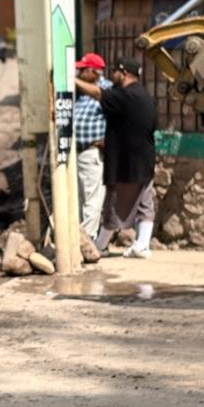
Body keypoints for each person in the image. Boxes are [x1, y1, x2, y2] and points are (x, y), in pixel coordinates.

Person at [75, 55, 157, 258]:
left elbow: (97, 93)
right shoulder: (144, 95)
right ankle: (142, 245)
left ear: (124, 73)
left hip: (126, 162)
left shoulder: (125, 95)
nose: (112, 75)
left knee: (114, 205)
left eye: (115, 72)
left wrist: (70, 80)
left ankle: (100, 245)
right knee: (145, 204)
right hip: (145, 161)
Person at [73, 53, 110, 263]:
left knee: (91, 200)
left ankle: (86, 242)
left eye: (83, 69)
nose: (79, 72)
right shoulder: (81, 94)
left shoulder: (104, 89)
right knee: (79, 199)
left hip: (91, 152)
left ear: (93, 71)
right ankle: (79, 239)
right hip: (77, 152)